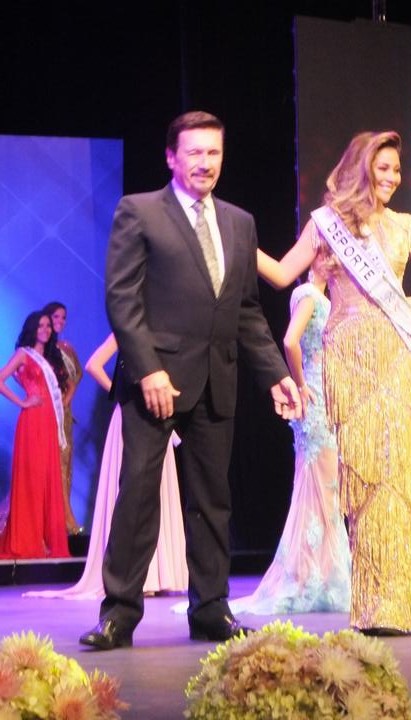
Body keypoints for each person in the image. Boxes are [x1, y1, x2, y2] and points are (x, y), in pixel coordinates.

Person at [79, 110, 301, 651]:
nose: (205, 162)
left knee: (212, 500)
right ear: (171, 157)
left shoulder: (239, 222)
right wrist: (148, 368)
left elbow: (246, 310)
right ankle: (119, 614)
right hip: (154, 381)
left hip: (216, 378)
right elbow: (122, 299)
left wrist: (274, 373)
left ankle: (210, 610)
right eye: (195, 152)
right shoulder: (140, 212)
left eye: (214, 152)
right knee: (138, 496)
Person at [255, 130, 411, 635]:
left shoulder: (406, 227)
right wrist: (231, 237)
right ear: (361, 168)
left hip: (394, 357)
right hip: (347, 361)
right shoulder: (327, 225)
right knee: (362, 477)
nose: (391, 178)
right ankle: (371, 606)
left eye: (396, 170)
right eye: (382, 168)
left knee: (394, 475)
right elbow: (281, 273)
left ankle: (397, 606)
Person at [216, 253, 351, 616]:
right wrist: (301, 385)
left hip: (324, 398)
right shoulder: (309, 295)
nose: (336, 262)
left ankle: (319, 575)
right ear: (317, 258)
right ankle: (312, 577)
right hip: (316, 400)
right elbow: (291, 340)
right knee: (322, 490)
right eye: (329, 255)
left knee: (323, 490)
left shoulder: (318, 296)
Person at [24, 332, 188, 599]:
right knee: (133, 492)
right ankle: (135, 575)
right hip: (132, 415)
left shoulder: (165, 327)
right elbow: (93, 364)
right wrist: (121, 391)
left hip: (158, 415)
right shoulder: (129, 327)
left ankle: (159, 574)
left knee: (158, 492)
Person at [0, 311, 70, 559]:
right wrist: (22, 402)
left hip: (48, 422)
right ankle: (28, 539)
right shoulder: (23, 354)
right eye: (41, 325)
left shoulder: (48, 357)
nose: (46, 329)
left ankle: (44, 538)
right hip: (31, 422)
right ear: (32, 328)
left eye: (48, 325)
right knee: (32, 478)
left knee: (47, 478)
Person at [43, 301, 84, 535]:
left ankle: (63, 520)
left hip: (63, 415)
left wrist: (65, 403)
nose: (60, 321)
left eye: (63, 317)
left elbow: (76, 378)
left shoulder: (66, 349)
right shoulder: (40, 348)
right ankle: (49, 520)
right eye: (56, 316)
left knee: (64, 463)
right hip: (43, 413)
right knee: (46, 464)